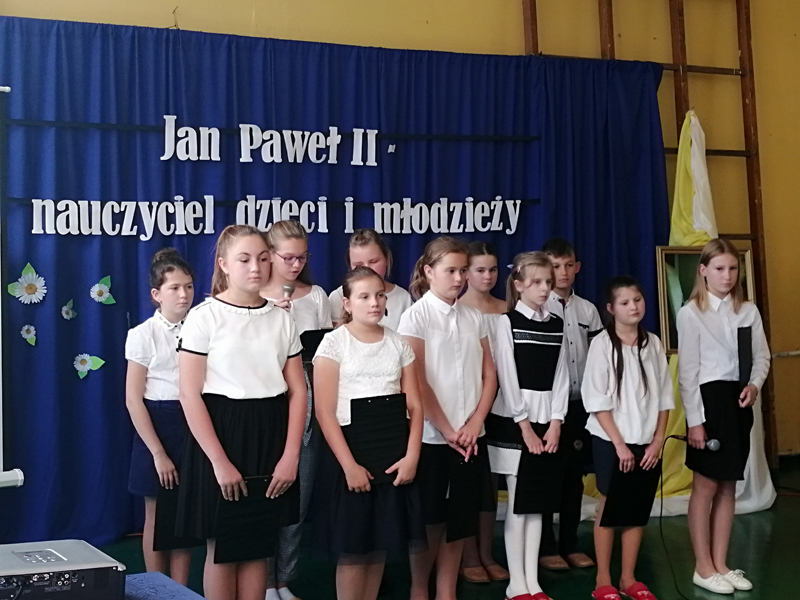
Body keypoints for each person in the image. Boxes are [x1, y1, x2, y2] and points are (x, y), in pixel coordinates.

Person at [176, 225, 306, 600]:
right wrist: (219, 462)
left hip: (270, 432)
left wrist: (291, 456)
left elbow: (298, 391)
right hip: (221, 432)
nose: (256, 268)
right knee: (223, 546)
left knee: (257, 543)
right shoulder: (204, 317)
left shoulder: (281, 319)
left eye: (263, 259)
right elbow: (189, 393)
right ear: (223, 264)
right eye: (244, 259)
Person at [312, 266, 426, 600]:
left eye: (379, 295)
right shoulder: (334, 344)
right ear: (347, 303)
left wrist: (412, 456)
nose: (374, 303)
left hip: (391, 451)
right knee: (353, 548)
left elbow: (415, 406)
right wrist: (349, 466)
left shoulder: (398, 343)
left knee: (380, 543)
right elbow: (324, 411)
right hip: (350, 451)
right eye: (364, 297)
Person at [398, 237, 497, 600]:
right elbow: (417, 380)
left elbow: (489, 375)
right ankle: (419, 589)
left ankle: (446, 590)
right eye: (450, 271)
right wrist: (447, 429)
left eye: (462, 271)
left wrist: (474, 424)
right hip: (432, 437)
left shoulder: (473, 317)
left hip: (470, 436)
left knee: (460, 518)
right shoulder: (416, 316)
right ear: (429, 271)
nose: (459, 278)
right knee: (429, 520)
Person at [678, 239, 770, 595]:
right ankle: (702, 566)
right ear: (703, 271)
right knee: (706, 485)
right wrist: (695, 421)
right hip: (708, 402)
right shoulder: (691, 314)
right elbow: (688, 373)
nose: (727, 276)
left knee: (729, 483)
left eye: (733, 269)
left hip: (738, 401)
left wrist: (755, 385)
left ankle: (721, 564)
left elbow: (761, 357)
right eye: (719, 269)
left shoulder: (748, 311)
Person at [582, 276, 674, 600]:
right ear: (610, 309)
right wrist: (620, 445)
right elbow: (597, 401)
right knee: (610, 506)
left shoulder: (653, 343)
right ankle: (603, 579)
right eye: (624, 302)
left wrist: (658, 440)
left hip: (646, 440)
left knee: (637, 507)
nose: (633, 307)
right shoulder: (602, 344)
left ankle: (628, 577)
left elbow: (664, 397)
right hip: (612, 440)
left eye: (637, 300)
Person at [486, 251, 569, 600]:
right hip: (515, 423)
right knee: (519, 503)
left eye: (548, 282)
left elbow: (562, 375)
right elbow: (507, 376)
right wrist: (525, 427)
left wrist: (556, 422)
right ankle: (515, 584)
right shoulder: (506, 323)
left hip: (546, 422)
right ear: (519, 285)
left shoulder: (557, 323)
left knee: (537, 504)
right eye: (536, 282)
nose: (544, 288)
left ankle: (532, 582)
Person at [260, 220, 332, 600]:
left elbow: (326, 356)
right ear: (269, 255)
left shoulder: (316, 296)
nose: (295, 265)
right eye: (287, 257)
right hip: (265, 396)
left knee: (299, 493)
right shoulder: (253, 294)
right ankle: (261, 580)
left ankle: (283, 579)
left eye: (302, 257)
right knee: (265, 494)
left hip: (307, 394)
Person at [125, 248, 195, 584]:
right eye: (174, 288)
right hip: (157, 424)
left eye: (189, 287)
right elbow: (133, 399)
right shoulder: (143, 334)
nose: (184, 294)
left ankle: (179, 589)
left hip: (192, 420)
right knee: (156, 512)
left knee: (184, 513)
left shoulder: (201, 328)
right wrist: (158, 453)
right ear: (156, 294)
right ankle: (157, 586)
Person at [540, 237, 603, 571]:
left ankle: (569, 543)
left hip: (579, 405)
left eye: (568, 265)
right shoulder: (539, 306)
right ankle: (545, 546)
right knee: (547, 476)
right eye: (555, 266)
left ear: (577, 267)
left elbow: (598, 357)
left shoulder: (588, 310)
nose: (562, 272)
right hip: (548, 406)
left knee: (573, 477)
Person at [457, 241, 510, 584]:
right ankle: (468, 555)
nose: (487, 276)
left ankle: (487, 552)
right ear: (466, 273)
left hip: (503, 404)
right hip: (468, 404)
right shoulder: (459, 310)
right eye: (480, 270)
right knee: (468, 484)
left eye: (492, 269)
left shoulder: (507, 309)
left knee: (490, 484)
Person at [328, 228, 413, 331]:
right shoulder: (337, 297)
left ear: (386, 259)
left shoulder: (403, 298)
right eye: (358, 265)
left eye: (374, 262)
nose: (367, 268)